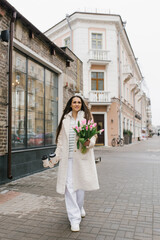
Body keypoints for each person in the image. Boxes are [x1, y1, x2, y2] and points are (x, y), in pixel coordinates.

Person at [44, 95, 99, 232]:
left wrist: (89, 142)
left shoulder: (87, 117)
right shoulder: (65, 119)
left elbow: (93, 136)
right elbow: (61, 140)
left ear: (81, 104)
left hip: (82, 157)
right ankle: (74, 219)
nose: (76, 104)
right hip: (67, 158)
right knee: (69, 187)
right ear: (70, 104)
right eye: (74, 102)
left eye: (79, 102)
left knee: (80, 187)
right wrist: (56, 155)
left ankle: (79, 207)